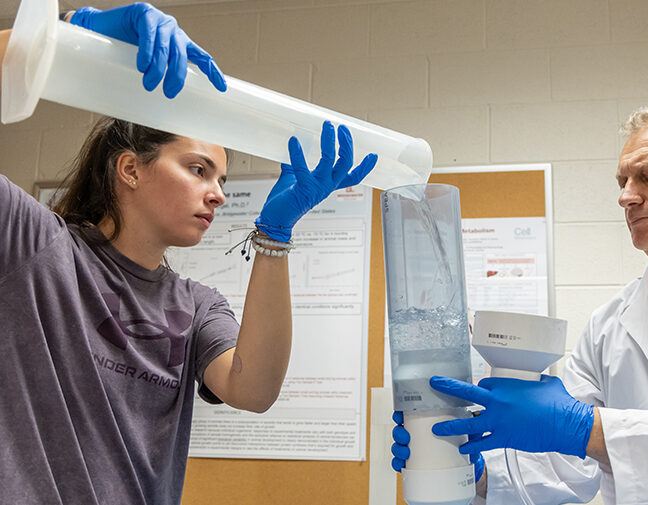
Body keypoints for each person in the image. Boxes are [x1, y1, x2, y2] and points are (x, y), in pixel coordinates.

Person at [0, 4, 377, 505]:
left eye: (221, 178)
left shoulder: (196, 305)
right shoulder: (37, 244)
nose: (219, 193)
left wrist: (275, 235)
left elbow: (254, 391)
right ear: (130, 169)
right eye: (199, 170)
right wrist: (69, 34)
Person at [392, 103, 648, 504]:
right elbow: (569, 468)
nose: (626, 197)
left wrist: (583, 428)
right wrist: (478, 472)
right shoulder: (610, 323)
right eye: (622, 181)